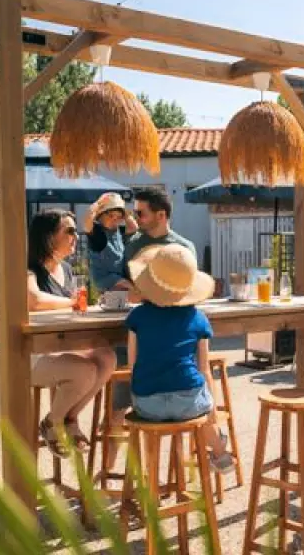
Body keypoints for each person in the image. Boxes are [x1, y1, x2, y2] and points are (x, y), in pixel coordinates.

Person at [101, 186, 197, 473]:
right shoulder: (132, 245)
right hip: (135, 332)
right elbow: (115, 285)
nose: (135, 218)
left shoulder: (184, 248)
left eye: (141, 213)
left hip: (171, 338)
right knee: (118, 407)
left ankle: (171, 476)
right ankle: (108, 473)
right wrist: (123, 291)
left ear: (161, 215)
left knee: (173, 409)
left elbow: (188, 295)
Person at [124, 243, 234, 472]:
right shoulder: (198, 318)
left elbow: (133, 364)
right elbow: (204, 369)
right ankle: (220, 454)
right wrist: (212, 411)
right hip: (188, 401)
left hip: (148, 404)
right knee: (202, 408)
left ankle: (151, 474)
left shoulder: (137, 316)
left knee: (164, 398)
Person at [27, 208, 116, 457]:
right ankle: (51, 423)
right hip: (32, 355)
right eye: (69, 231)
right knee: (85, 370)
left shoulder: (66, 269)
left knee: (107, 357)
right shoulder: (28, 268)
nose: (75, 236)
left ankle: (69, 418)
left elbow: (78, 307)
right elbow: (34, 300)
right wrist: (73, 302)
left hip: (63, 349)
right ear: (48, 237)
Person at [84, 192, 138, 293]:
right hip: (105, 278)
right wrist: (97, 205)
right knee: (132, 288)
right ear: (100, 216)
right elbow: (87, 224)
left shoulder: (119, 231)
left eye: (119, 217)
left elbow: (134, 228)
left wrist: (126, 214)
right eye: (111, 215)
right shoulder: (98, 232)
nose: (114, 219)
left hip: (120, 276)